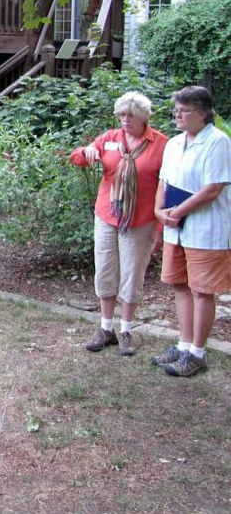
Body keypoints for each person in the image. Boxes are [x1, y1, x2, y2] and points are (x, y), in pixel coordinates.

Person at [69, 92, 167, 356]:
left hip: (141, 219)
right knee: (105, 269)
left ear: (143, 117)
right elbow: (77, 158)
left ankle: (126, 330)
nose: (125, 119)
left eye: (130, 115)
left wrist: (160, 229)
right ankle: (105, 328)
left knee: (132, 273)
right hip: (107, 215)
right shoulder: (110, 139)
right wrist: (86, 151)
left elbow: (166, 188)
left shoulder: (160, 145)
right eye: (121, 114)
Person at [152, 86, 231, 377]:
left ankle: (197, 353)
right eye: (177, 109)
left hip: (205, 230)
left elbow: (213, 188)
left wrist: (177, 212)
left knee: (202, 291)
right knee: (181, 286)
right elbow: (164, 181)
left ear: (202, 113)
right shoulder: (174, 143)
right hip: (177, 229)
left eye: (184, 111)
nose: (178, 115)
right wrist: (160, 212)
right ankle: (183, 344)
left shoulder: (218, 142)